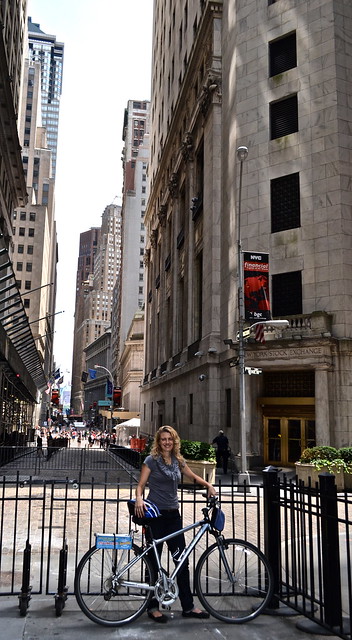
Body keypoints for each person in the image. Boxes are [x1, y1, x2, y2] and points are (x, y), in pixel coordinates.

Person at [135, 425, 216, 623]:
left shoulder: (178, 461)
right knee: (153, 562)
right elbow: (141, 484)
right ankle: (152, 606)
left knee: (182, 561)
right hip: (155, 516)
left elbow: (192, 476)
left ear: (174, 441)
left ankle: (188, 606)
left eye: (169, 439)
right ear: (158, 441)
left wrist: (208, 485)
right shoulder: (151, 460)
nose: (167, 442)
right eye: (163, 439)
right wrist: (139, 499)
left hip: (173, 516)